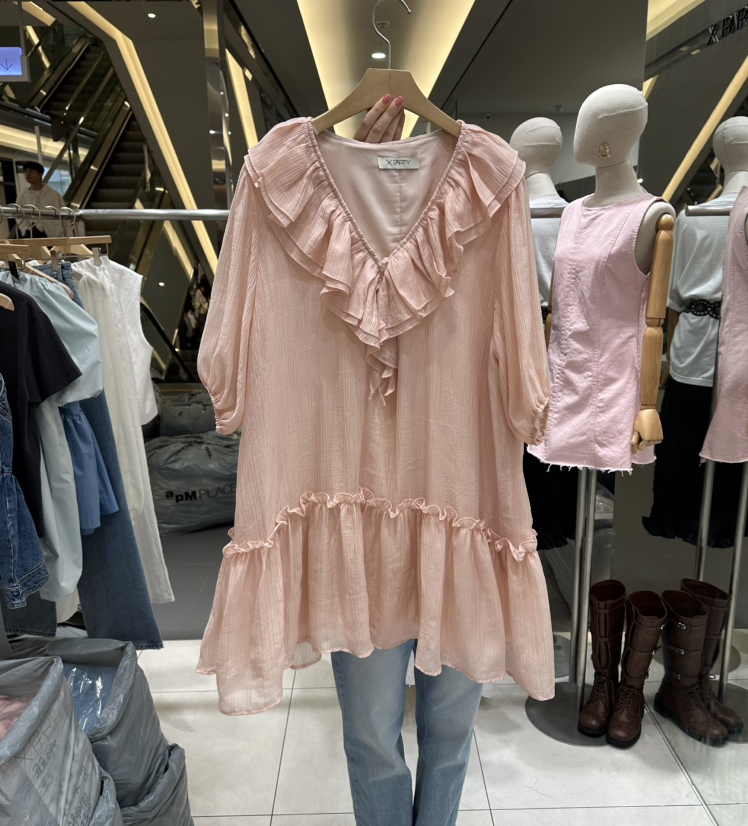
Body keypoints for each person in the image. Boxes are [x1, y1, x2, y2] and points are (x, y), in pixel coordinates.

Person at [330, 94, 484, 826]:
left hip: (465, 495)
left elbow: (521, 364)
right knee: (371, 736)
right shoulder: (292, 190)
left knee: (452, 731)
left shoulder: (490, 186)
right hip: (355, 502)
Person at [16, 161, 65, 237]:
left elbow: (64, 215)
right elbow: (19, 216)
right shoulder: (22, 196)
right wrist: (27, 229)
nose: (27, 174)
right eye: (25, 172)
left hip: (54, 235)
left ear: (40, 175)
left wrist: (68, 235)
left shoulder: (53, 194)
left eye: (31, 171)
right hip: (34, 235)